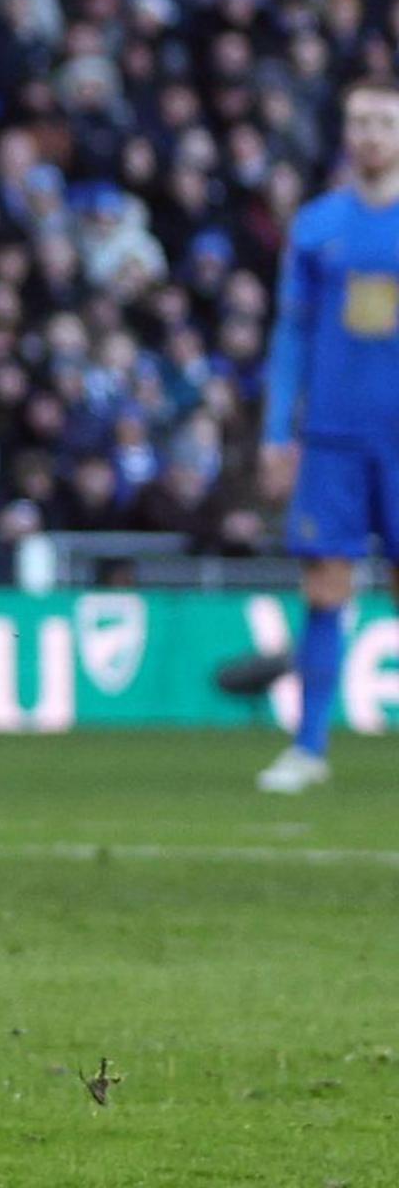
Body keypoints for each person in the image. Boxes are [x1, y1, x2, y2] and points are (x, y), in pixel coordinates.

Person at [254, 77, 399, 796]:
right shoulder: (317, 226)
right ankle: (309, 745)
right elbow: (291, 334)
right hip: (334, 435)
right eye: (359, 121)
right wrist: (276, 429)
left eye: (383, 121)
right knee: (324, 584)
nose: (370, 134)